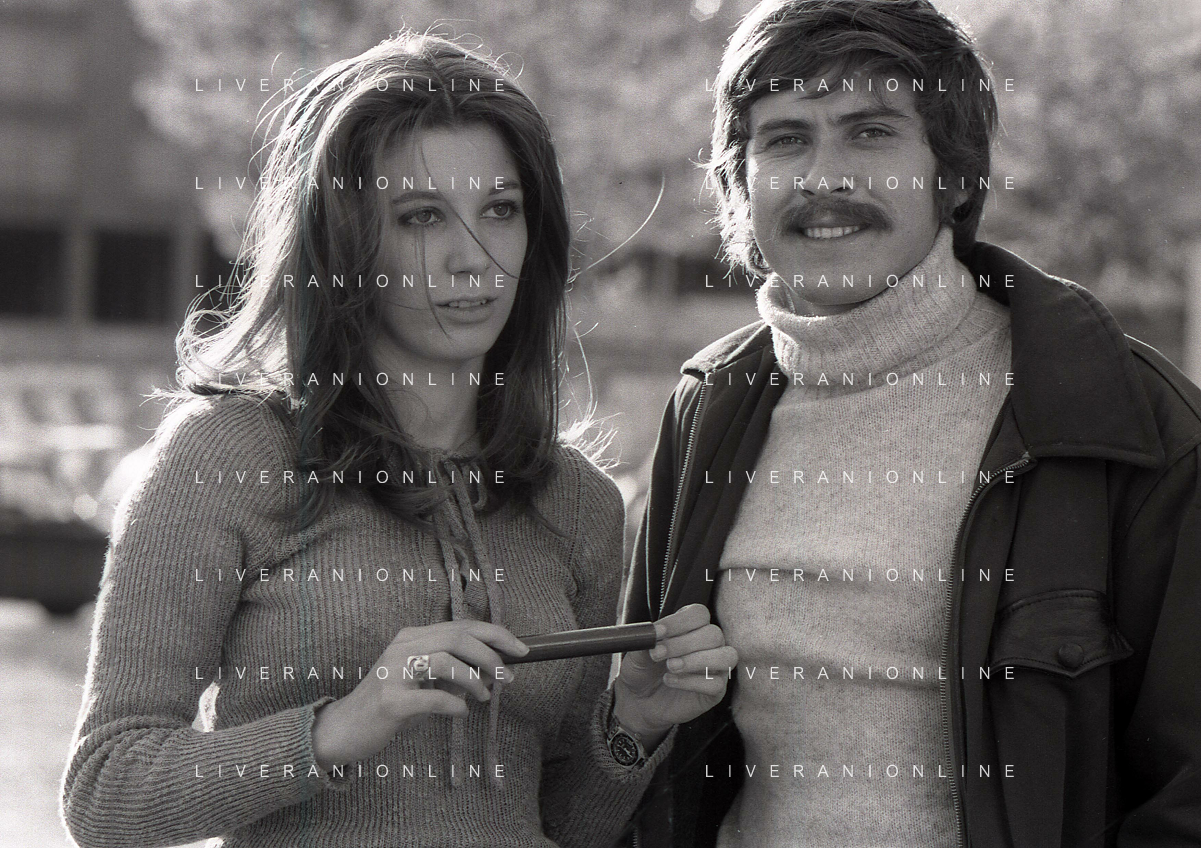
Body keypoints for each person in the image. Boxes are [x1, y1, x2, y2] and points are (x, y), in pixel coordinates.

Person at [61, 33, 737, 848]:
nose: (472, 259)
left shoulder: (577, 501)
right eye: (421, 217)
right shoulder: (227, 456)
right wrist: (339, 727)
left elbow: (563, 822)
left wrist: (633, 721)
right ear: (346, 243)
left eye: (500, 210)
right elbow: (108, 790)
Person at [622, 1, 1201, 846]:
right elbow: (640, 733)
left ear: (955, 176)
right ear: (739, 184)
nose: (823, 178)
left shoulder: (1126, 419)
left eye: (869, 132)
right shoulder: (708, 406)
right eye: (784, 138)